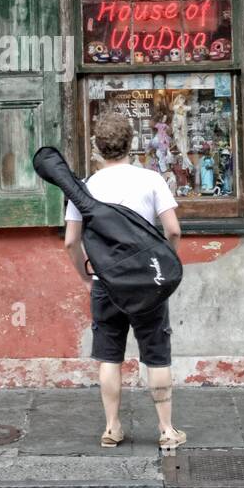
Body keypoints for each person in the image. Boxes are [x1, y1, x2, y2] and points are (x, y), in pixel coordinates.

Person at [63, 112, 185, 450]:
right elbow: (173, 229)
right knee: (157, 355)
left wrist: (87, 277)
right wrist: (164, 262)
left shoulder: (86, 188)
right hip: (149, 284)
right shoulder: (151, 180)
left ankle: (112, 428)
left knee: (109, 356)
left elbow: (71, 242)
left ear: (99, 148)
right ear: (130, 143)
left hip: (107, 284)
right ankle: (166, 431)